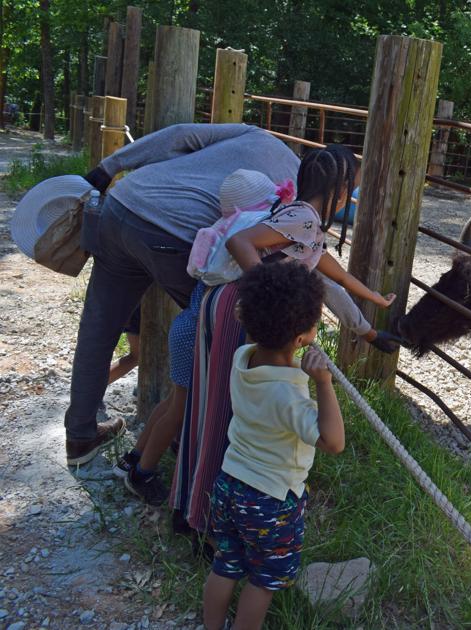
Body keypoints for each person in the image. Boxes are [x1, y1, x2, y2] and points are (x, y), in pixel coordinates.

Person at [118, 167, 397, 506]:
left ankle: (133, 458)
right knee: (180, 407)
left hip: (189, 325)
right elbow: (328, 283)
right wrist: (274, 292)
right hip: (196, 333)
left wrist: (370, 309)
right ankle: (142, 474)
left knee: (175, 402)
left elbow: (331, 276)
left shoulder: (236, 241)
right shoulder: (268, 246)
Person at [65, 123, 298, 466]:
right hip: (173, 232)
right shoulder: (296, 201)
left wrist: (110, 166)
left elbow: (180, 135)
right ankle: (189, 437)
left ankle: (80, 437)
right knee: (215, 331)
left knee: (98, 328)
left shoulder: (258, 135)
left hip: (124, 203)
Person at [201, 262, 342, 630]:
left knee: (225, 564)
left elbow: (259, 326)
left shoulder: (243, 358)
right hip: (271, 499)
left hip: (229, 484)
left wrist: (248, 312)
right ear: (302, 338)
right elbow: (333, 441)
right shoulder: (289, 396)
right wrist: (324, 384)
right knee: (263, 582)